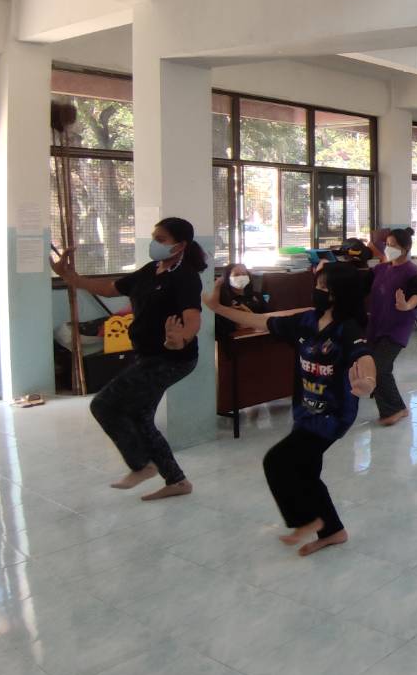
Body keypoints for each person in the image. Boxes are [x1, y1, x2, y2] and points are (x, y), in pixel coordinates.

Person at [205, 262, 374, 555]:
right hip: (305, 411)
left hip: (332, 417)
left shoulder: (347, 329)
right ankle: (333, 531)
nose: (316, 290)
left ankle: (305, 521)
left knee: (277, 461)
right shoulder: (306, 321)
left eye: (322, 287)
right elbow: (261, 321)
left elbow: (364, 357)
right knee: (306, 472)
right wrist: (217, 308)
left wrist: (368, 383)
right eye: (317, 285)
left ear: (337, 294)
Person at [51, 218, 206, 500]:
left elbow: (193, 318)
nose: (154, 243)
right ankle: (177, 481)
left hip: (172, 358)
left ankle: (141, 465)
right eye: (154, 237)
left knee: (103, 405)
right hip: (148, 356)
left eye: (161, 239)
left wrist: (181, 338)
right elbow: (111, 288)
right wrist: (71, 277)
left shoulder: (185, 277)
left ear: (180, 245)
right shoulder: (151, 270)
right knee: (140, 416)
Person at [365, 227, 417, 426]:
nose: (388, 249)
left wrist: (406, 305)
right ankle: (398, 407)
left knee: (378, 367)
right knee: (379, 367)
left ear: (406, 248)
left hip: (397, 327)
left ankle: (393, 410)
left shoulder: (411, 271)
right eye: (387, 245)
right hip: (377, 324)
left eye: (393, 246)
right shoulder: (381, 269)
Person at [214, 263, 268, 340]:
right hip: (236, 340)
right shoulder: (223, 300)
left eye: (244, 274)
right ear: (227, 278)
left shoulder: (257, 296)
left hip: (261, 336)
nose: (241, 277)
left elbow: (269, 315)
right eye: (236, 275)